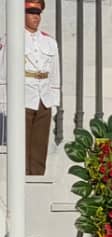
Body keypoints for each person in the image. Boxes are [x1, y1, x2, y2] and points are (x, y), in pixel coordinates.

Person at [0, 0, 60, 176]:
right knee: (21, 146)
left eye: (38, 13)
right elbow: (3, 73)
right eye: (31, 13)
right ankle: (23, 181)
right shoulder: (12, 39)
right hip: (22, 96)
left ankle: (37, 180)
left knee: (40, 147)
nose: (36, 17)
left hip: (44, 98)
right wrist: (3, 102)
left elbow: (55, 74)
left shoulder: (49, 42)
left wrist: (55, 100)